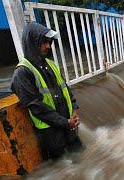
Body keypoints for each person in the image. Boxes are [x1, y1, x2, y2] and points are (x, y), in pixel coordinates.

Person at [11, 22, 82, 160]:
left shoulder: (50, 64)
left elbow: (65, 89)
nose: (48, 46)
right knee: (63, 167)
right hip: (52, 134)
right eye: (43, 42)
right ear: (31, 43)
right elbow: (36, 106)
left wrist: (74, 109)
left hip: (69, 127)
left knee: (81, 159)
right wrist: (65, 122)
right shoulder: (22, 72)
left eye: (49, 42)